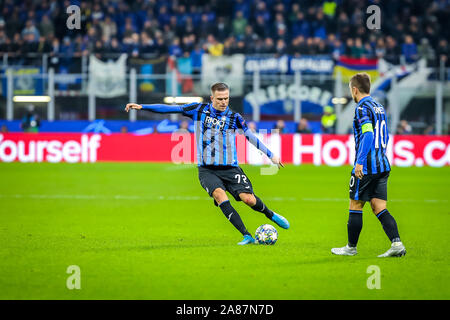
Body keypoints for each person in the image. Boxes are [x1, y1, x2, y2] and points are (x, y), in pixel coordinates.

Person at [125, 82, 289, 245]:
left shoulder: (235, 117)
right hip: (207, 170)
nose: (223, 102)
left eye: (226, 98)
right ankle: (246, 235)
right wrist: (142, 106)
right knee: (220, 196)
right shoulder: (198, 110)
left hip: (231, 168)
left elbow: (250, 137)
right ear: (212, 98)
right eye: (219, 99)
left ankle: (270, 214)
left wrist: (271, 155)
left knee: (248, 200)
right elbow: (171, 108)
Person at [331, 73, 406, 258]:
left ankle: (351, 247)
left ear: (354, 89)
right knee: (378, 206)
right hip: (382, 164)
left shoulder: (361, 108)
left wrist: (360, 162)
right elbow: (385, 134)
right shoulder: (379, 106)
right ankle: (396, 243)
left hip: (368, 167)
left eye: (351, 89)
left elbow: (369, 134)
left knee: (355, 204)